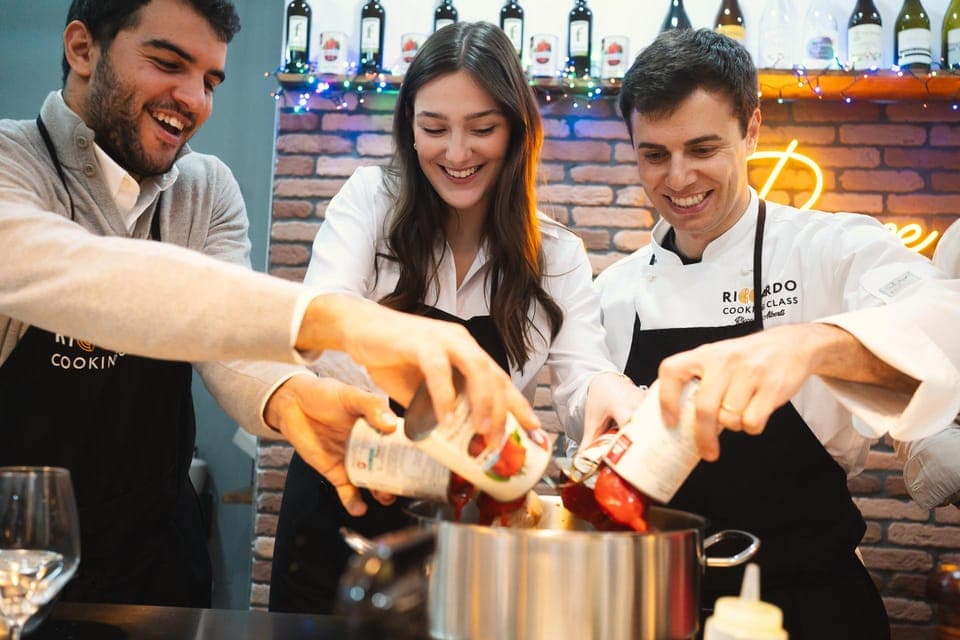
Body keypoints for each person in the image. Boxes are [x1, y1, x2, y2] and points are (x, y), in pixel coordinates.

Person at [0, 0, 538, 608]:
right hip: (15, 562)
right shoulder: (11, 163)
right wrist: (344, 321)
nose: (194, 100)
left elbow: (228, 347)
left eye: (209, 80)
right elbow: (72, 273)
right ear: (82, 49)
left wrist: (291, 398)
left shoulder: (204, 190)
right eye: (167, 63)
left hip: (155, 563)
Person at [595, 28, 960, 640]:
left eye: (703, 148)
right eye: (654, 154)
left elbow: (946, 316)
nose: (677, 179)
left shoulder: (830, 248)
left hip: (810, 607)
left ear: (752, 129)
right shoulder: (614, 293)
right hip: (652, 611)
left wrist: (811, 344)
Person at [269, 21, 645, 614]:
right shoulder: (370, 200)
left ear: (517, 131)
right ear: (409, 127)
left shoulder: (556, 255)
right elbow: (324, 324)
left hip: (465, 529)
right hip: (343, 505)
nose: (458, 153)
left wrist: (611, 391)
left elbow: (581, 377)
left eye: (483, 129)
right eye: (434, 128)